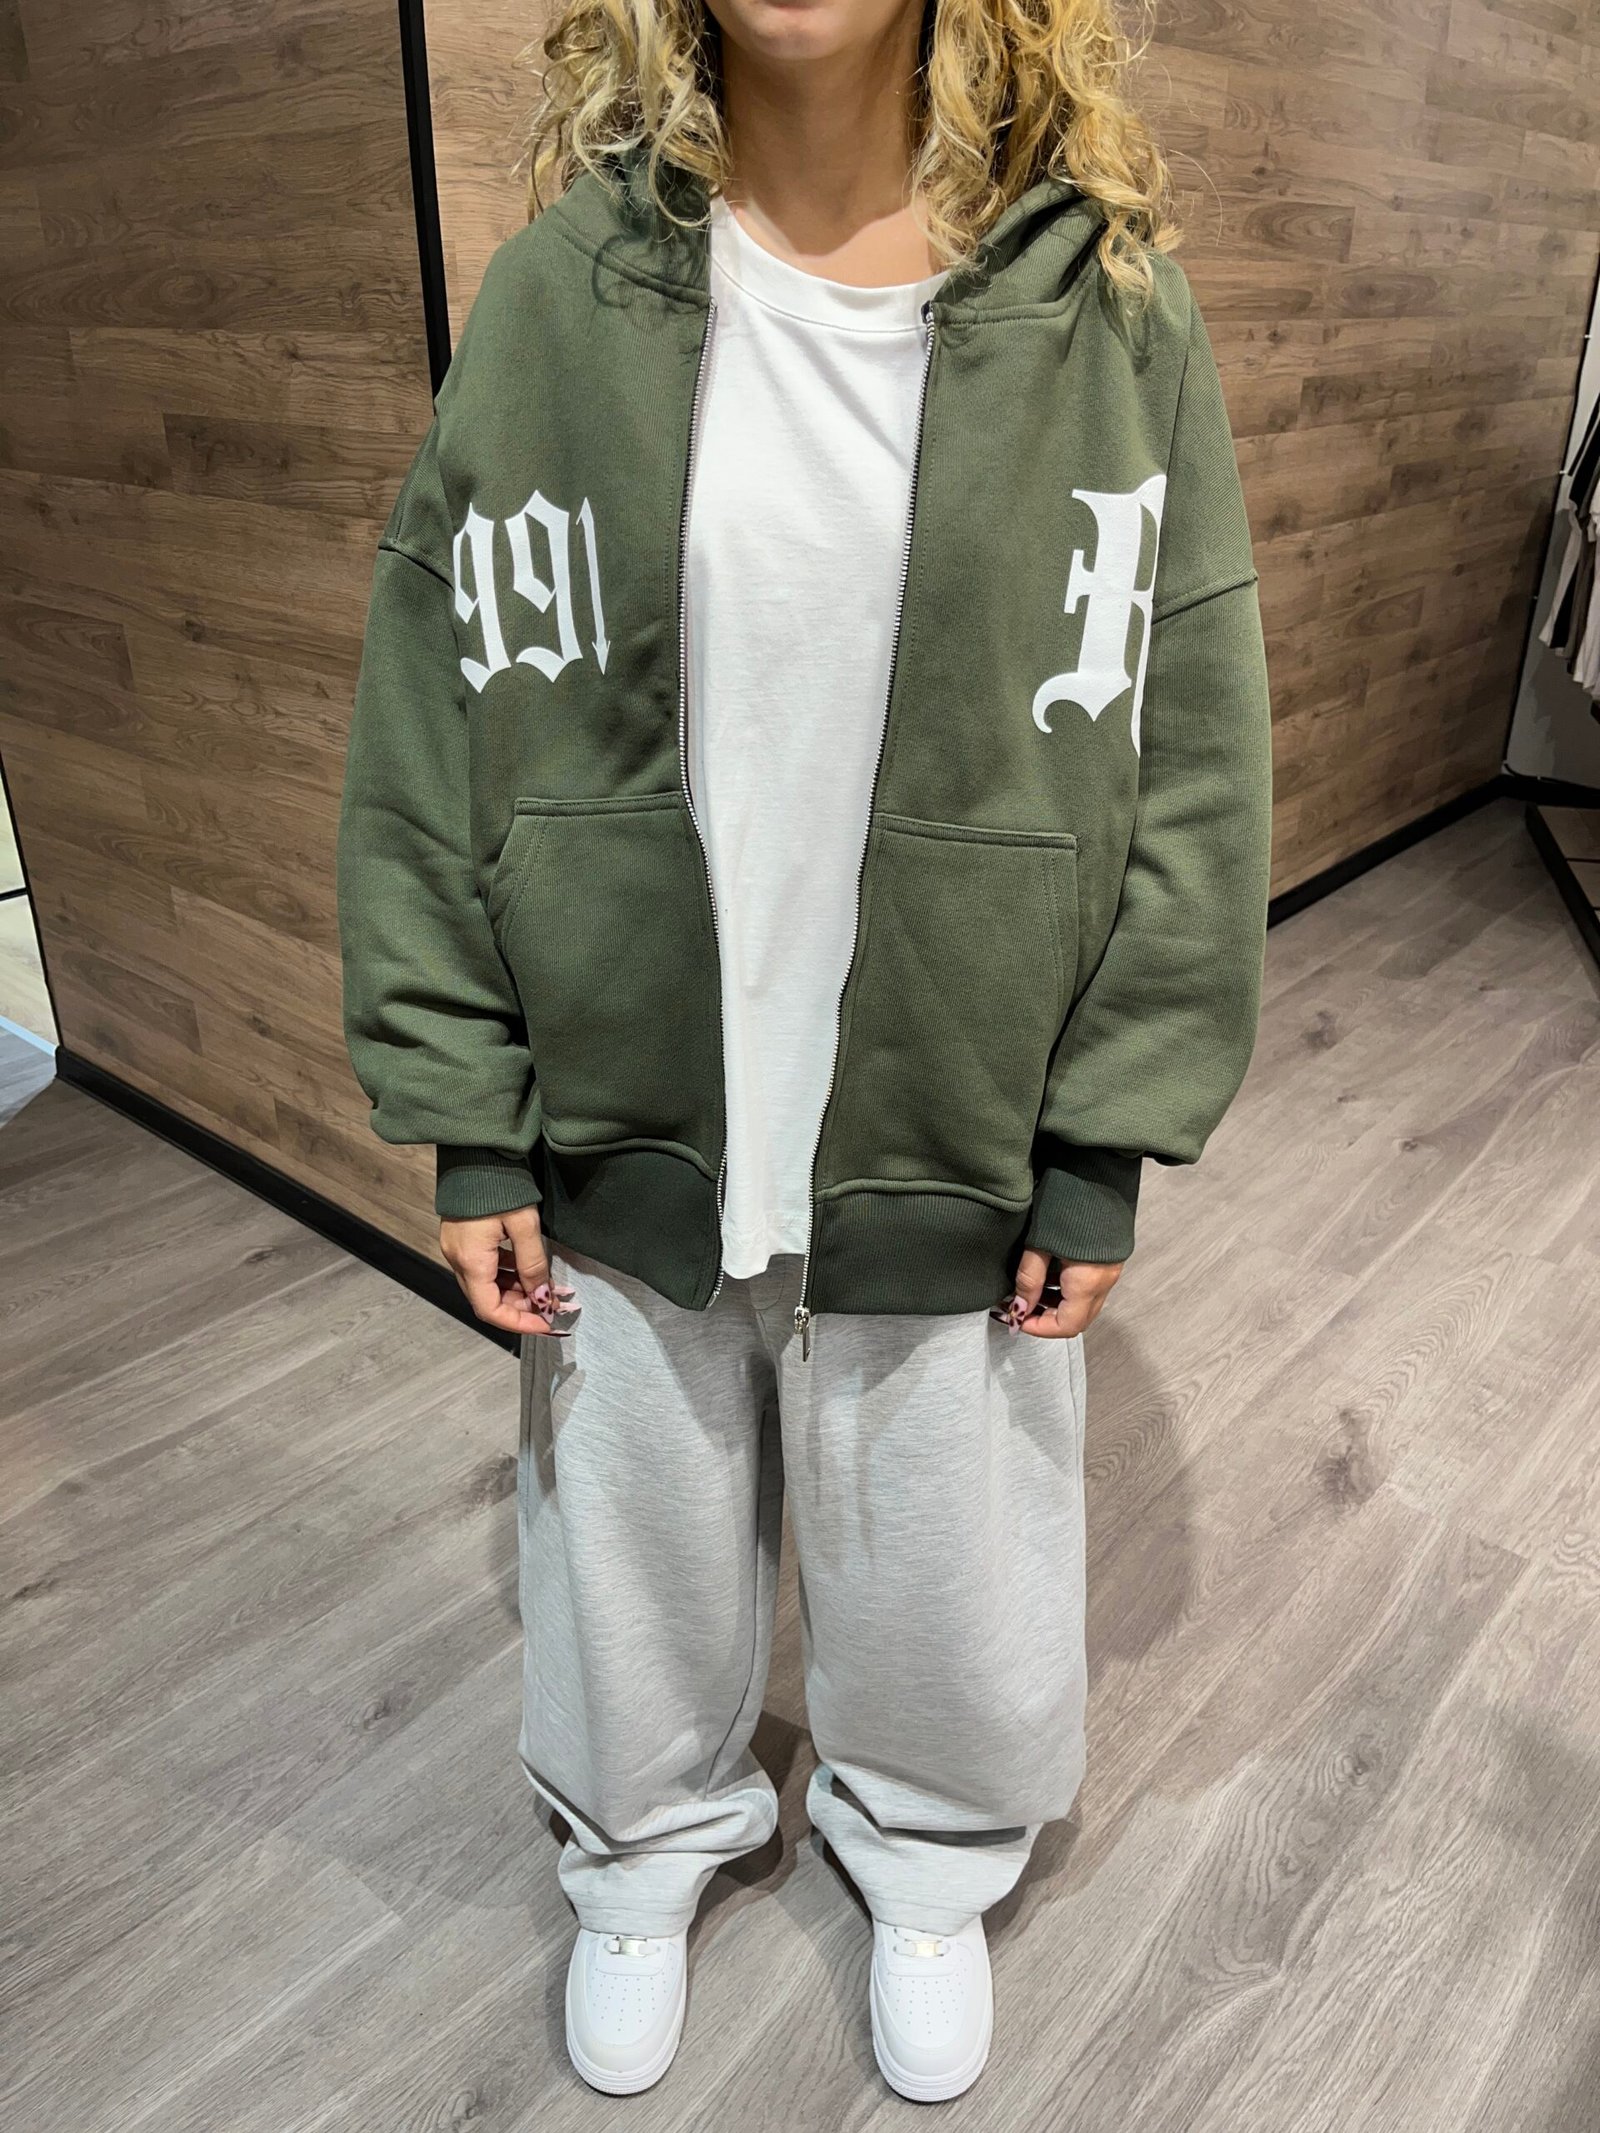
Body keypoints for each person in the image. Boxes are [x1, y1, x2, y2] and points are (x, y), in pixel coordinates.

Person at [336, 0, 1272, 2102]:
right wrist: (466, 1108)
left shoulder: (1110, 316)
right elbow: (433, 712)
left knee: (943, 1540)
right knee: (629, 1527)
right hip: (627, 1091)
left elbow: (1193, 753)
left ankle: (926, 1844)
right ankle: (638, 1839)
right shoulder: (558, 299)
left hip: (954, 1100)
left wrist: (1103, 1132)